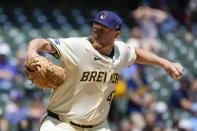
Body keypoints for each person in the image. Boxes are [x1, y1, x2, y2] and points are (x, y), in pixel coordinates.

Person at [26, 10, 183, 131]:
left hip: (98, 126)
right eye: (96, 27)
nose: (97, 32)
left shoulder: (121, 51)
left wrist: (166, 63)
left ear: (116, 34)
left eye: (103, 30)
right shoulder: (77, 46)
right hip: (61, 123)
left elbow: (136, 53)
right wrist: (32, 53)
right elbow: (39, 42)